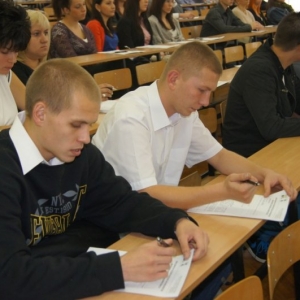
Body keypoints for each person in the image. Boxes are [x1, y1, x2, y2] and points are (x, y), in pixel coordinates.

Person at [0, 58, 210, 299]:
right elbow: (10, 275)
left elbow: (122, 203)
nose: (86, 138)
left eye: (87, 126)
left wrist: (176, 222)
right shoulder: (6, 168)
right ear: (40, 113)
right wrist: (119, 269)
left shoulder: (81, 155)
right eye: (76, 125)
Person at [92, 41, 296, 212]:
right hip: (117, 224)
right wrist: (220, 192)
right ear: (173, 79)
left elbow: (219, 156)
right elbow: (147, 193)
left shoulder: (184, 111)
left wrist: (264, 174)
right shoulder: (132, 118)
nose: (206, 101)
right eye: (201, 90)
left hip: (154, 212)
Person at [222, 12, 300, 262]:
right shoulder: (260, 70)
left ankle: (288, 226)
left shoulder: (284, 66)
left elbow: (293, 109)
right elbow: (272, 127)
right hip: (249, 153)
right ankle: (261, 236)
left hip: (271, 145)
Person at [0, 0, 30, 125]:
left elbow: (33, 106)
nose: (13, 59)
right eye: (5, 51)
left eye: (16, 51)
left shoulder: (6, 75)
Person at [12, 10, 50, 86]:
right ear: (21, 37)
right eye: (36, 34)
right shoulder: (15, 72)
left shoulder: (50, 67)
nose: (45, 40)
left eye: (46, 33)